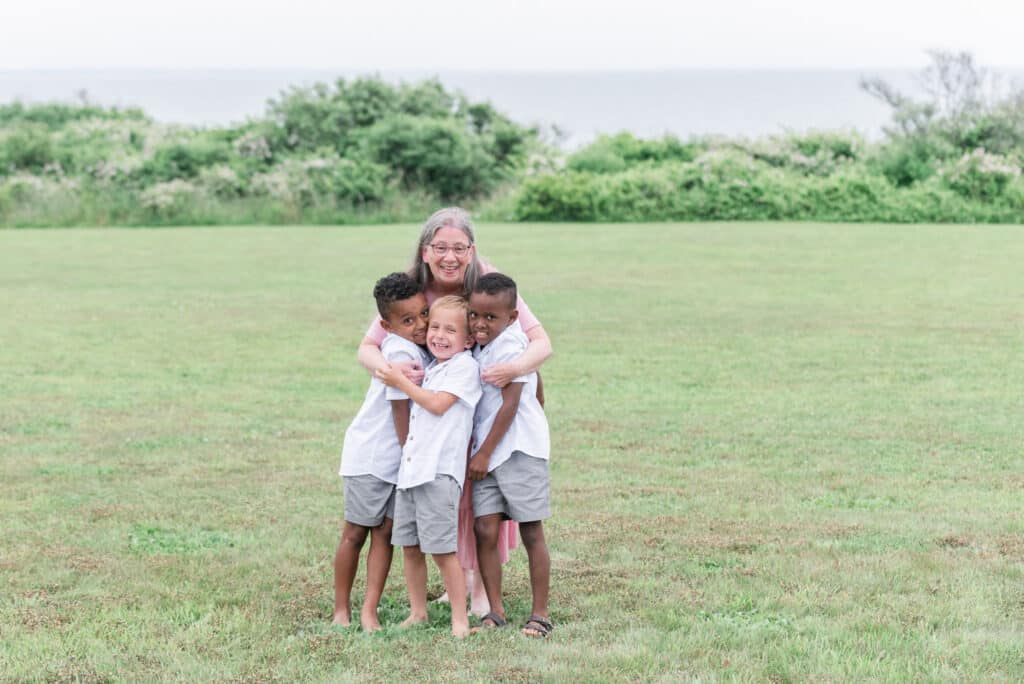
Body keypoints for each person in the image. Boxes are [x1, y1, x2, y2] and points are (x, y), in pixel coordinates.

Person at [356, 207, 553, 613]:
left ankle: (480, 585)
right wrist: (388, 370)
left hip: (476, 403)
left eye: (458, 248)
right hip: (433, 411)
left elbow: (540, 342)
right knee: (449, 495)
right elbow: (366, 347)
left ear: (472, 250)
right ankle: (459, 580)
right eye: (440, 247)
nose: (449, 256)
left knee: (480, 498)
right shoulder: (410, 287)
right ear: (425, 250)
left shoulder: (487, 280)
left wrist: (514, 370)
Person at [376, 296, 482, 638]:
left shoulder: (465, 368)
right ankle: (418, 611)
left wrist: (400, 382)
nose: (439, 334)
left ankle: (459, 618)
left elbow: (437, 405)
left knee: (442, 549)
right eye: (434, 327)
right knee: (410, 546)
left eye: (450, 330)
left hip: (439, 472)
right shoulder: (434, 366)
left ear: (467, 340)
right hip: (411, 470)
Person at [333, 273, 430, 631]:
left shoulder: (418, 346)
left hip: (398, 460)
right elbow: (399, 411)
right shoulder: (400, 351)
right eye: (408, 320)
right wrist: (412, 455)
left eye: (423, 314)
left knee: (385, 534)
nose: (420, 325)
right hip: (372, 456)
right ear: (386, 326)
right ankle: (341, 609)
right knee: (355, 533)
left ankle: (368, 610)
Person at [466, 274, 553, 638]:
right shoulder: (478, 347)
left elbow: (512, 404)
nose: (480, 324)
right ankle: (495, 611)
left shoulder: (516, 344)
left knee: (531, 529)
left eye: (490, 317)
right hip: (486, 453)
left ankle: (540, 614)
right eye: (474, 315)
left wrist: (484, 453)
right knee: (484, 528)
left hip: (516, 450)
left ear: (512, 317)